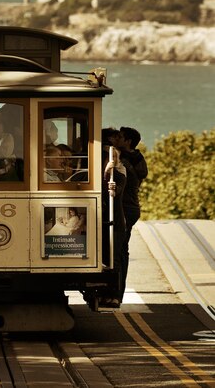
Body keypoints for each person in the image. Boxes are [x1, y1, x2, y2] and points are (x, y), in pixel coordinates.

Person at [111, 126, 148, 301]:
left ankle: (117, 292)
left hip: (126, 207)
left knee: (119, 250)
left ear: (128, 141)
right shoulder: (137, 159)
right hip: (131, 207)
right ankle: (118, 291)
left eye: (120, 137)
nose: (116, 139)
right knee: (122, 249)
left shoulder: (124, 161)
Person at [100, 128, 126, 308]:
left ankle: (114, 294)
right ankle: (106, 293)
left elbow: (115, 193)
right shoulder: (107, 174)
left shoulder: (119, 173)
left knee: (114, 258)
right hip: (107, 219)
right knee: (106, 257)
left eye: (113, 158)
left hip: (115, 220)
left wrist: (110, 174)